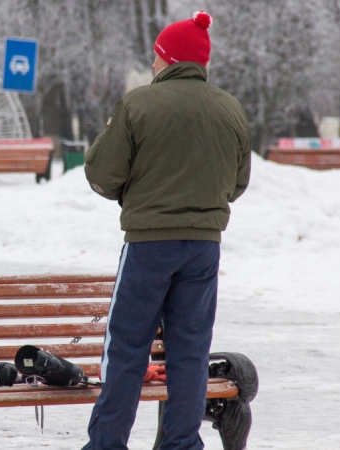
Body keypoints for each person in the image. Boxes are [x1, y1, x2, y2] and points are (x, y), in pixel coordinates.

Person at [81, 10, 252, 450]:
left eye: (157, 57)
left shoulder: (139, 104)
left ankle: (107, 443)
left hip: (148, 245)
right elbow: (237, 183)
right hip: (203, 249)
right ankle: (181, 443)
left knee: (127, 348)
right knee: (191, 351)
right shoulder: (230, 109)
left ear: (169, 58)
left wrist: (132, 194)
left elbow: (102, 173)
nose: (153, 64)